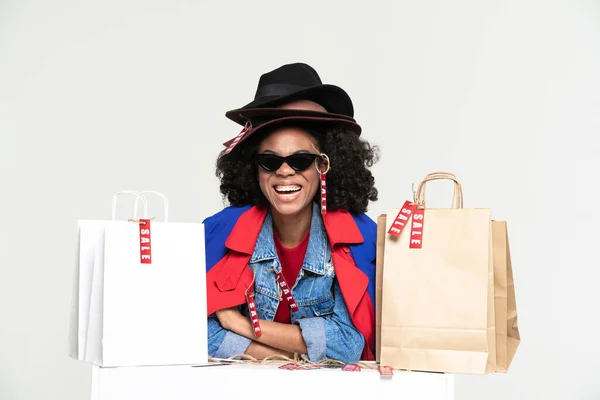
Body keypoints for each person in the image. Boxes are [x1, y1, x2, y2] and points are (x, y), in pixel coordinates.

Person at [203, 62, 379, 363]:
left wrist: (242, 325)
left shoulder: (359, 237)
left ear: (323, 165)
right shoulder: (221, 231)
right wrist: (281, 355)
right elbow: (198, 332)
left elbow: (349, 342)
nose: (285, 171)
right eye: (270, 161)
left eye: (300, 160)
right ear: (255, 169)